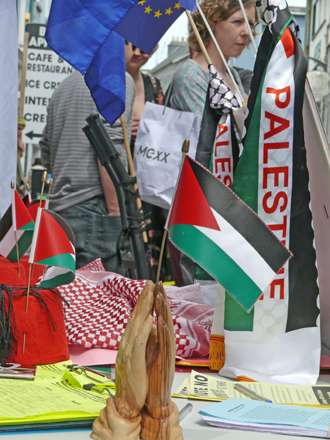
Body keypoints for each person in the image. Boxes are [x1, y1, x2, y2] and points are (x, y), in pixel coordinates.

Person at [167, 0, 257, 285]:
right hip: (200, 213)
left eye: (251, 25)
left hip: (226, 212)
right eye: (237, 22)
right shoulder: (191, 76)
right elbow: (209, 141)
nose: (247, 33)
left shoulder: (236, 80)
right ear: (213, 22)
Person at [40, 45, 135, 272]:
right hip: (97, 207)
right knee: (99, 302)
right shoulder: (117, 80)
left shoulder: (64, 87)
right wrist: (115, 212)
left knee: (67, 300)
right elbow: (109, 150)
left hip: (61, 210)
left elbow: (46, 150)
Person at [126, 45, 169, 280]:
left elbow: (167, 132)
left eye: (147, 47)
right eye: (132, 44)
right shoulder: (111, 81)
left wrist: (149, 127)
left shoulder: (153, 84)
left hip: (151, 183)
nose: (139, 52)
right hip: (123, 181)